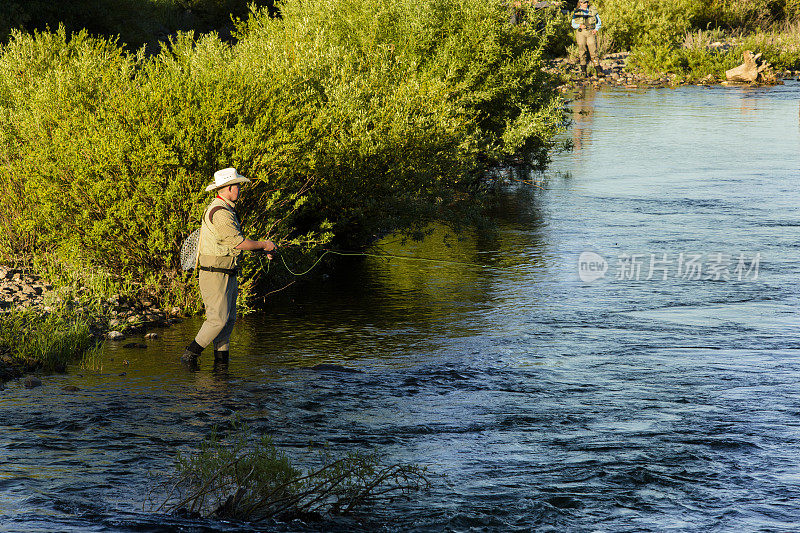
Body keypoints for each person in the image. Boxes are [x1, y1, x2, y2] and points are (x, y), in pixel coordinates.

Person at [181, 167, 277, 366]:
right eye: (238, 186)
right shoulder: (220, 212)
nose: (240, 189)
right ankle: (189, 356)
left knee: (228, 320)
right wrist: (264, 245)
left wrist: (261, 249)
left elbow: (231, 243)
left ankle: (221, 365)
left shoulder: (225, 209)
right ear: (229, 187)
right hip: (214, 274)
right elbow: (238, 243)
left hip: (226, 273)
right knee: (217, 320)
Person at [571, 0, 602, 77]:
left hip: (590, 32)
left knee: (593, 50)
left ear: (588, 2)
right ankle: (583, 71)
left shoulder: (593, 10)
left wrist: (596, 29)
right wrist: (579, 26)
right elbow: (573, 23)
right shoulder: (577, 12)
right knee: (582, 51)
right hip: (581, 33)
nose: (584, 4)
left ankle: (598, 70)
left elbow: (598, 21)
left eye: (585, 2)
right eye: (582, 2)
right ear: (579, 3)